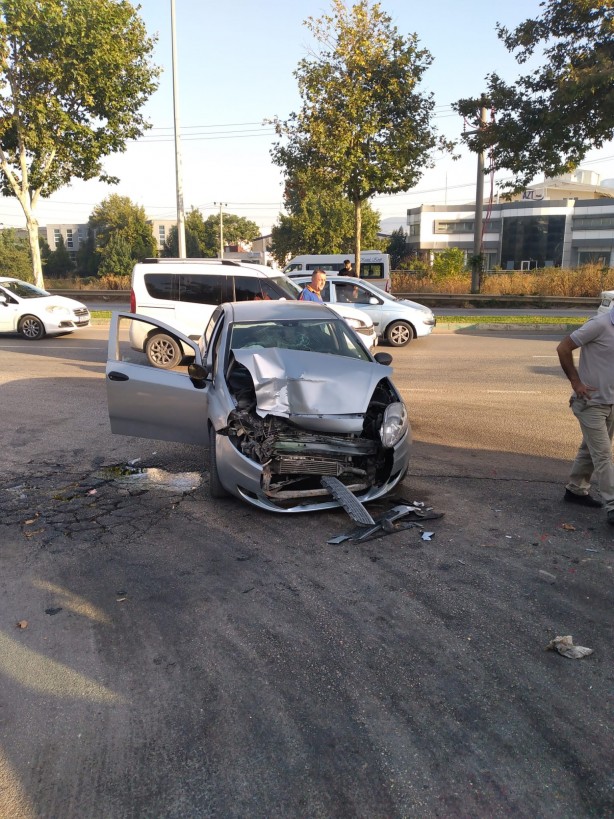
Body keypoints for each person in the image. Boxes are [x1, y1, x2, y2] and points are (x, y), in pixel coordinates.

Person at [557, 310, 614, 523]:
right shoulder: (599, 324)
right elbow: (563, 347)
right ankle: (613, 505)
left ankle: (575, 490)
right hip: (590, 403)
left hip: (610, 402)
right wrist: (575, 382)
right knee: (603, 455)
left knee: (590, 450)